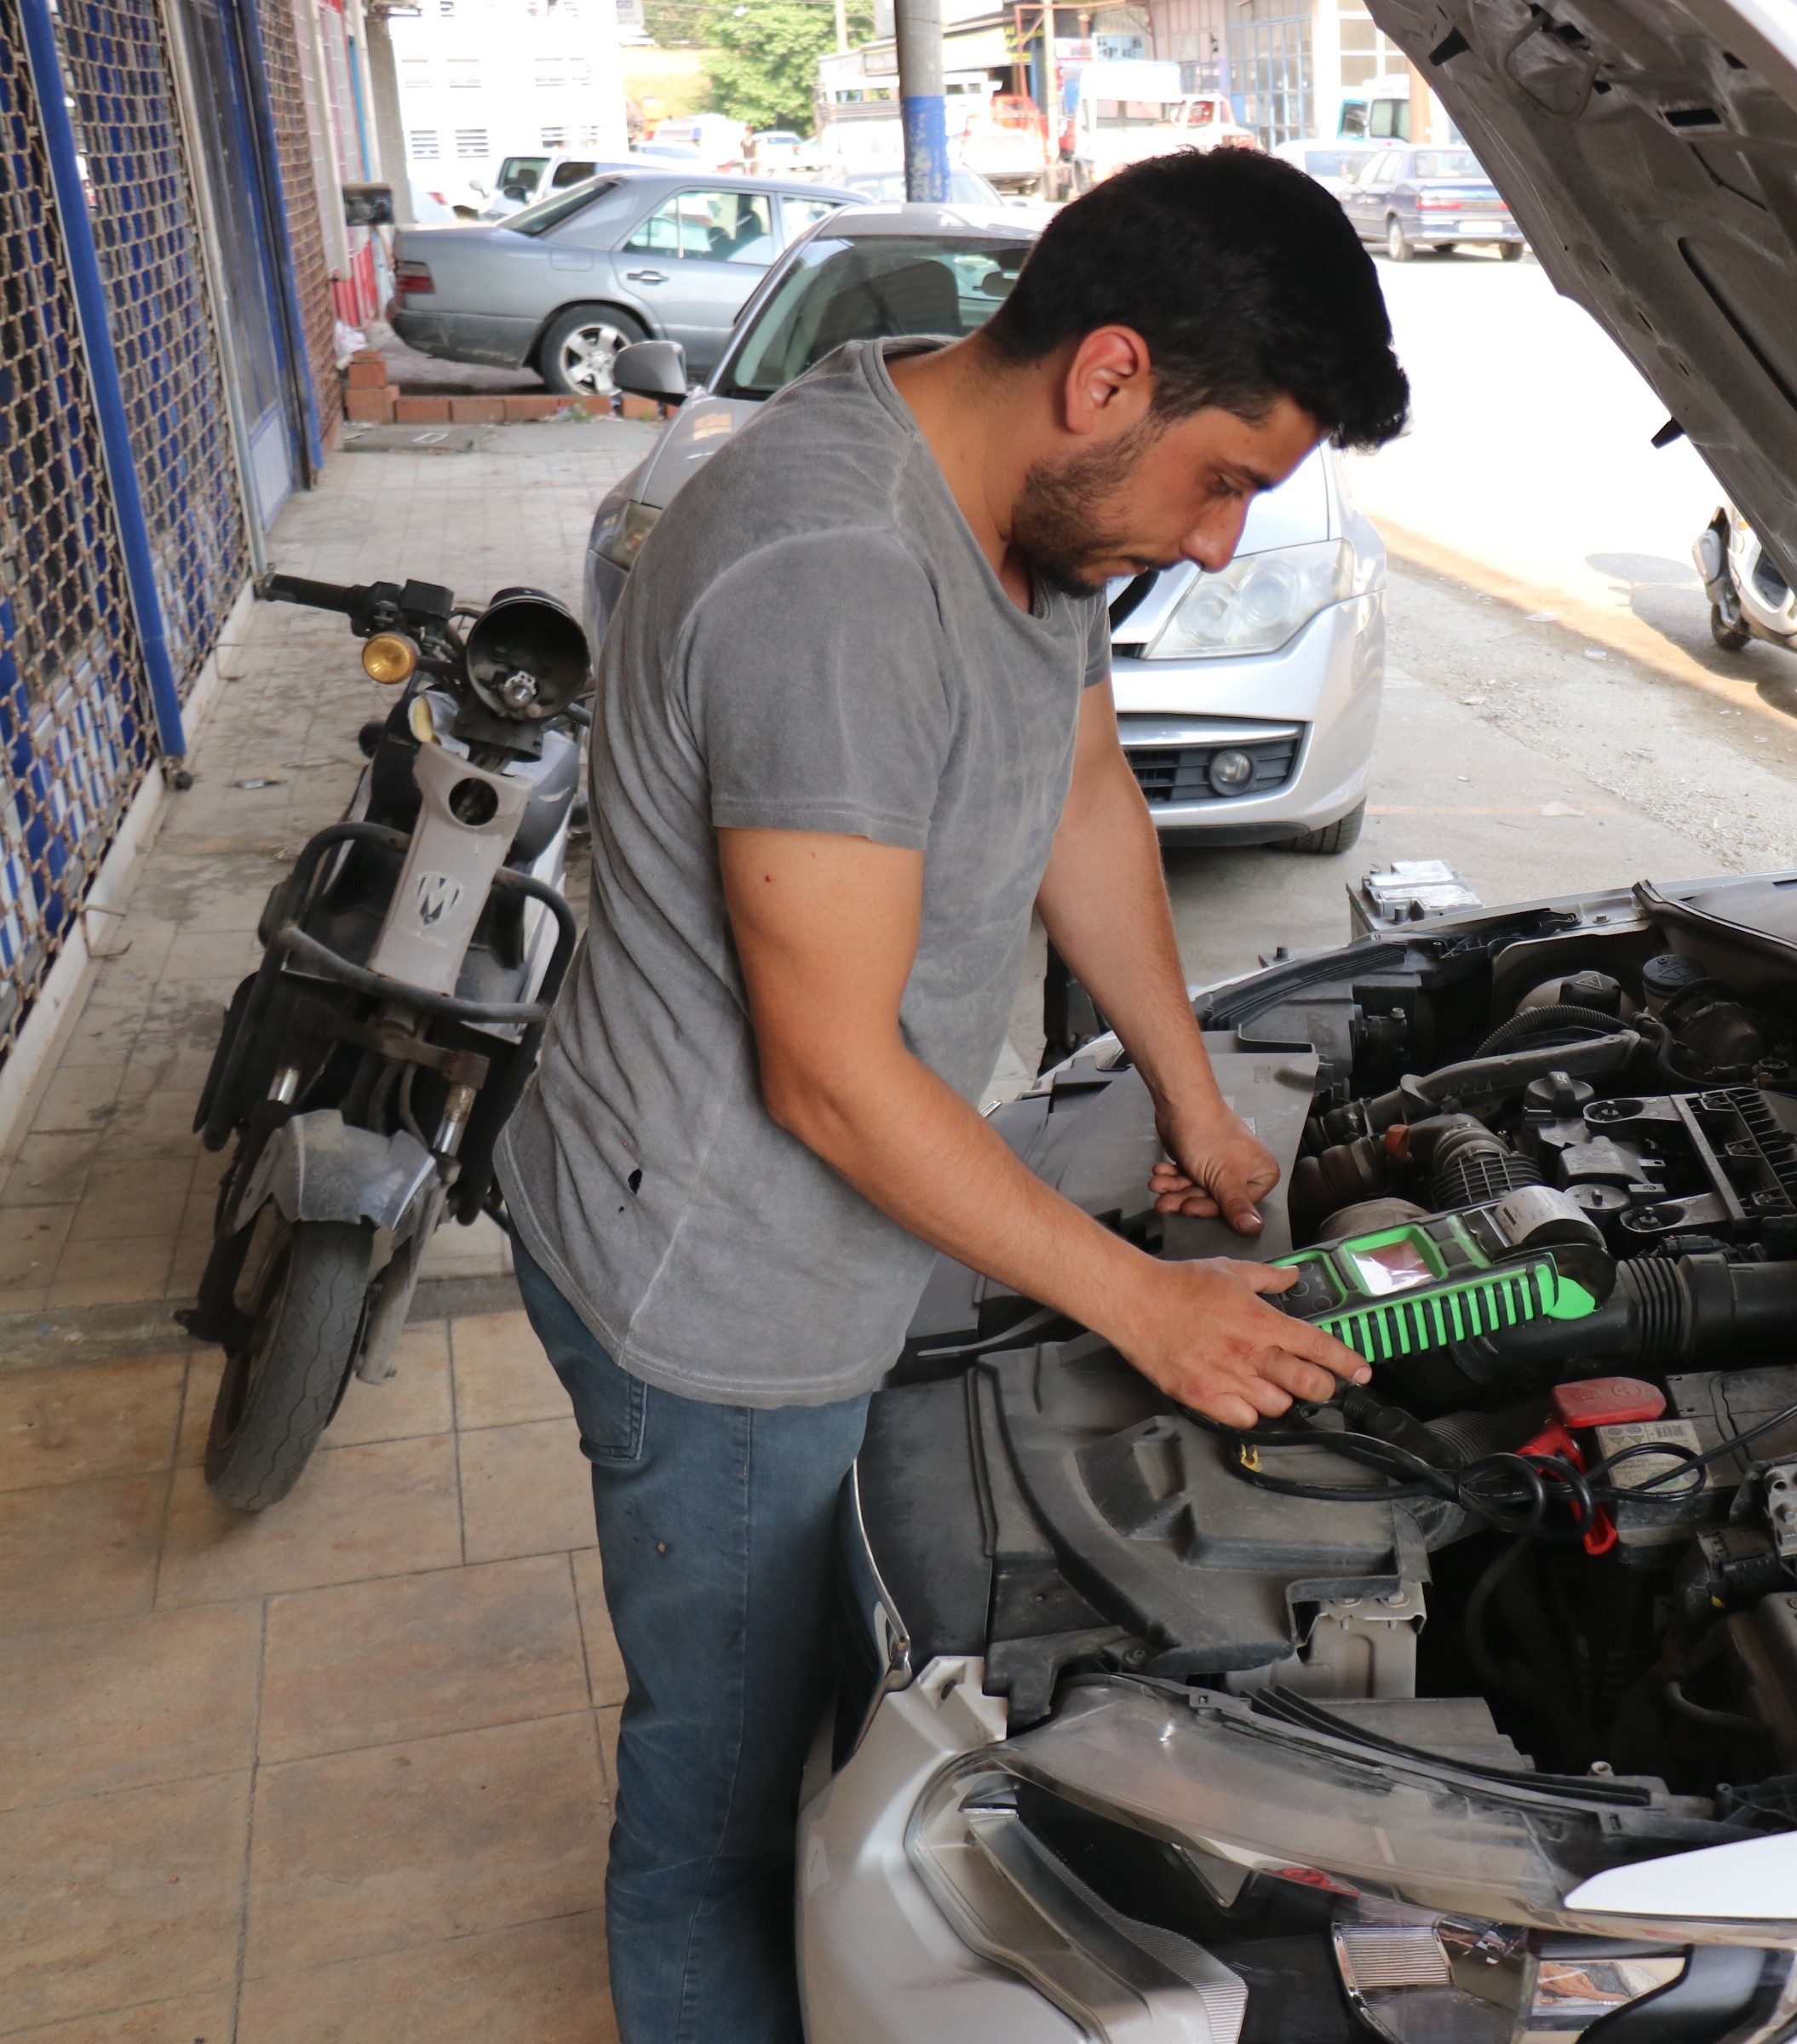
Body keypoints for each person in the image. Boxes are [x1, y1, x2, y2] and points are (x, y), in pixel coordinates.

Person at [496, 150, 1410, 2043]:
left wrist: (1195, 1100)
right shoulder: (834, 576)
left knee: (838, 1668)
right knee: (721, 1789)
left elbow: (1081, 790)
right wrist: (1138, 1295)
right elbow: (828, 1079)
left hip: (839, 1228)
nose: (1228, 541)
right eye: (1225, 478)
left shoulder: (1018, 485)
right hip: (713, 1294)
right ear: (1107, 375)